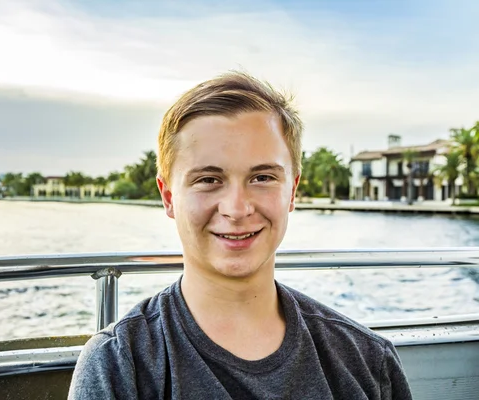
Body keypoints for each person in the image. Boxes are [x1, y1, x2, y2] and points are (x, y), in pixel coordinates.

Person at [68, 71, 413, 399]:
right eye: (208, 179)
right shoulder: (119, 365)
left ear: (291, 192)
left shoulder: (365, 360)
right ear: (169, 196)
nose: (236, 209)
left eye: (262, 177)